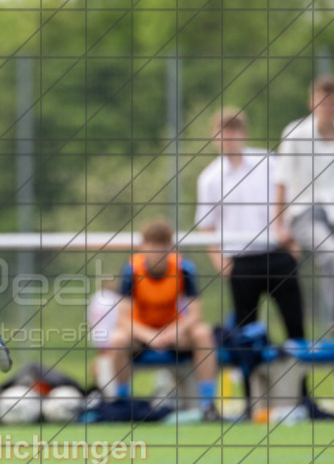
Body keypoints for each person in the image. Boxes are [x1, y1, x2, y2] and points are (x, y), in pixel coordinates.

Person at [195, 107, 314, 411]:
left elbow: (289, 200)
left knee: (295, 327)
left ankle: (304, 397)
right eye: (223, 132)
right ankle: (253, 401)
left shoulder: (268, 162)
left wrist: (292, 241)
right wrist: (221, 262)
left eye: (234, 131)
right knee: (247, 336)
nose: (229, 138)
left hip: (277, 256)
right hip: (242, 262)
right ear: (215, 137)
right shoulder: (209, 178)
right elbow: (207, 226)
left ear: (243, 133)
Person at [274, 75, 334, 344]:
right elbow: (281, 182)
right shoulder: (295, 133)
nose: (328, 106)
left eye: (333, 101)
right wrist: (278, 224)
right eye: (323, 101)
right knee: (333, 252)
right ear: (311, 102)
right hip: (304, 212)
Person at [107, 219, 221, 420]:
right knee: (117, 339)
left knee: (203, 333)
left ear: (170, 247)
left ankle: (207, 405)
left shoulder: (184, 268)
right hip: (141, 334)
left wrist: (173, 331)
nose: (158, 251)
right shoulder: (132, 270)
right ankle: (122, 404)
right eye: (153, 245)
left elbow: (195, 314)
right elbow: (123, 318)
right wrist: (150, 335)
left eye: (163, 245)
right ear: (143, 246)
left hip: (173, 333)